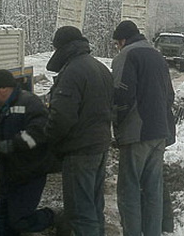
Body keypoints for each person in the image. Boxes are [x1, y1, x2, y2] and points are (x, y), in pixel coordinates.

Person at [44, 26, 114, 236]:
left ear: (62, 47)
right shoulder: (99, 67)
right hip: (100, 145)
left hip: (80, 150)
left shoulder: (73, 71)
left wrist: (48, 140)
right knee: (94, 206)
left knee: (80, 212)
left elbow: (62, 117)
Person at [111, 20, 175, 236]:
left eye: (117, 43)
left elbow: (121, 96)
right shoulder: (157, 55)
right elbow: (170, 96)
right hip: (160, 132)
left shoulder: (127, 55)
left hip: (136, 133)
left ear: (122, 40)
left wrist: (117, 126)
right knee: (152, 190)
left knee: (128, 190)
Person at [0, 69, 54, 235]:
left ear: (4, 88)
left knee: (19, 221)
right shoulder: (7, 106)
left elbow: (39, 132)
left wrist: (13, 144)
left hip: (29, 173)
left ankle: (53, 217)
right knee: (1, 223)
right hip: (11, 174)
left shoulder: (30, 103)